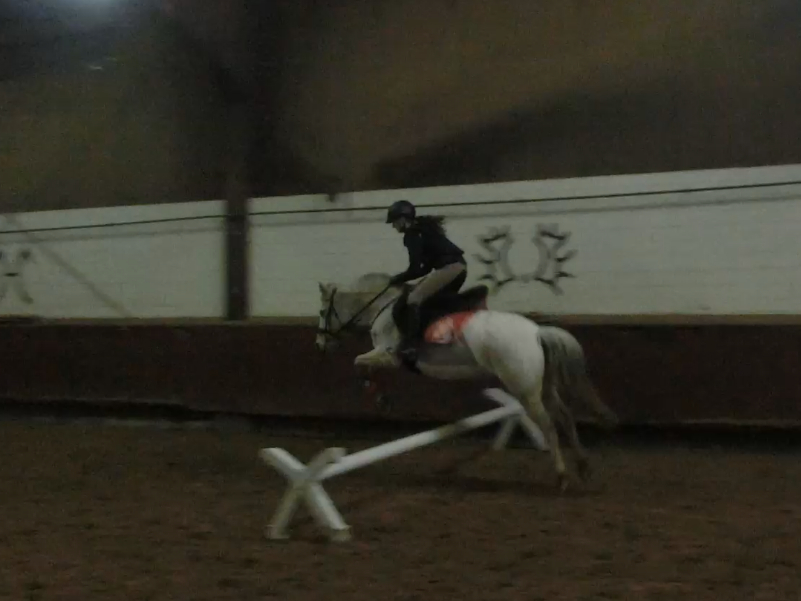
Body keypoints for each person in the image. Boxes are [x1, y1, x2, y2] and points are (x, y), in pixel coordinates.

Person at [385, 199, 467, 361]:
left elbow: (415, 269)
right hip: (458, 269)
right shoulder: (422, 230)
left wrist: (397, 278)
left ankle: (412, 345)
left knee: (414, 298)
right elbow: (426, 269)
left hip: (449, 269)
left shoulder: (412, 235)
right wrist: (402, 278)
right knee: (428, 299)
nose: (393, 226)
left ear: (403, 219)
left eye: (394, 222)